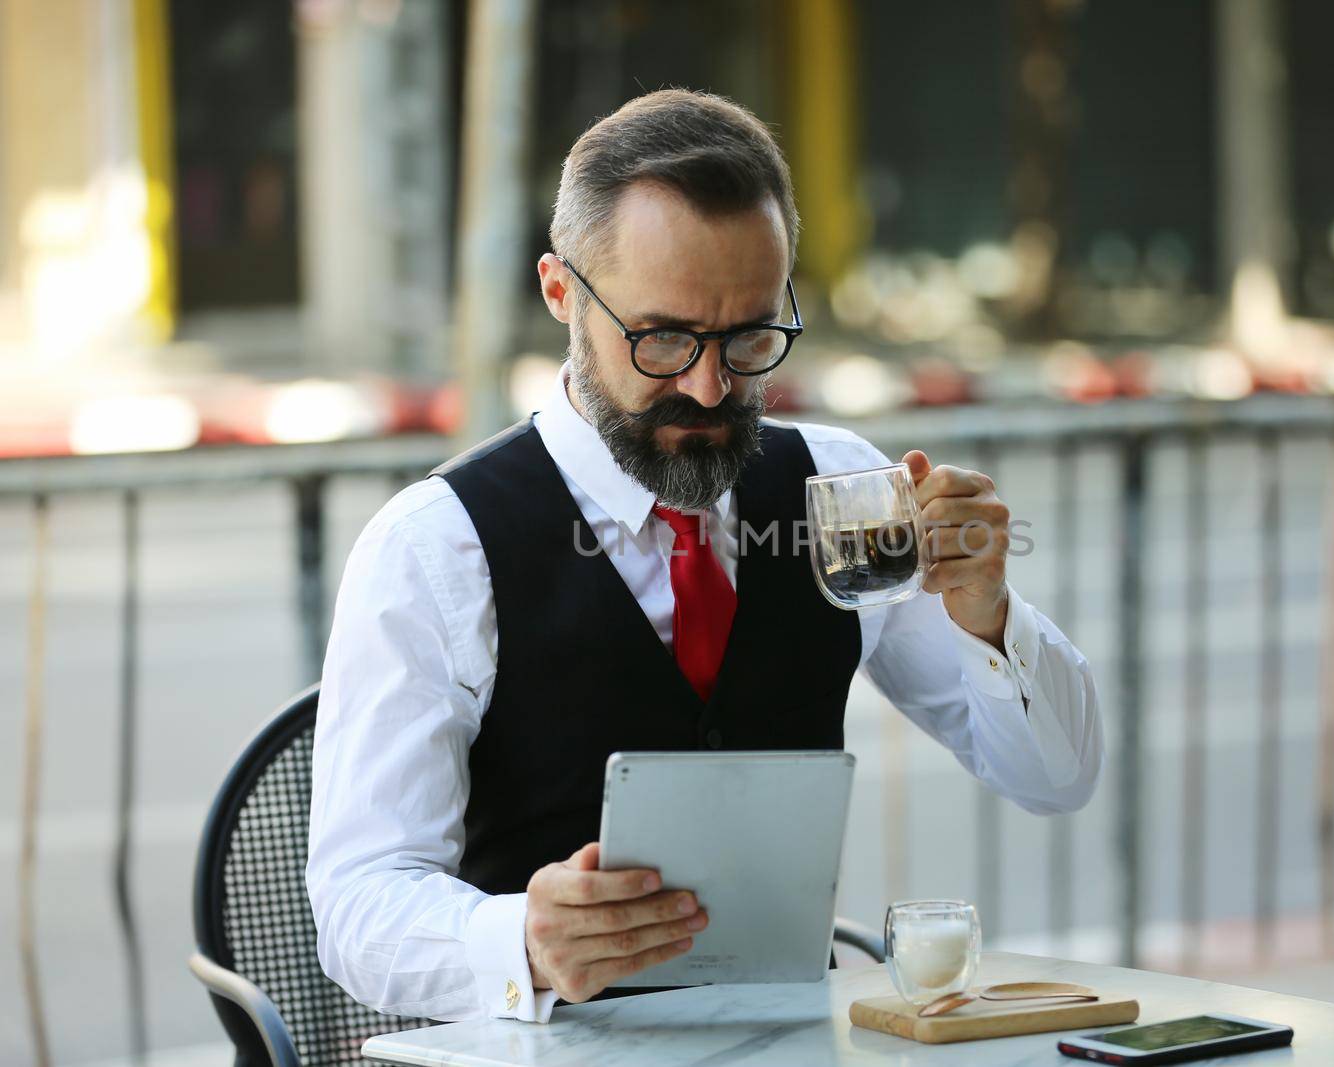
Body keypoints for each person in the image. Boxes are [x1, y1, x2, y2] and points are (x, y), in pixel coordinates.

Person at [307, 89, 1102, 1025]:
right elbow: (357, 904)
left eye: (751, 336)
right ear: (562, 293)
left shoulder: (839, 489)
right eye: (666, 337)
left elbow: (1057, 778)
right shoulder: (433, 548)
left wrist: (988, 614)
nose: (710, 385)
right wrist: (518, 936)